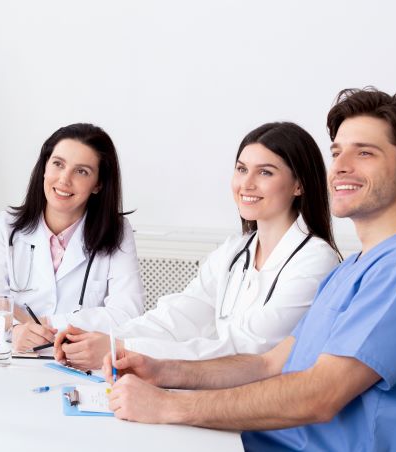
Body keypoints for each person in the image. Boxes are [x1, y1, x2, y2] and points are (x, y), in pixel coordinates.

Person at [103, 88, 396, 452]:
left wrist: (170, 406)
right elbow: (270, 363)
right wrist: (163, 370)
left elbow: (321, 395)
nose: (341, 166)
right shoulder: (351, 269)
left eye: (364, 152)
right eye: (337, 152)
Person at [54, 122, 341, 370]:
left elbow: (249, 349)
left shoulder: (315, 261)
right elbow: (177, 316)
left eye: (265, 172)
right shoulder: (234, 251)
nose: (246, 183)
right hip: (223, 394)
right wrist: (102, 339)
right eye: (241, 169)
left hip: (269, 413)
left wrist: (124, 347)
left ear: (299, 185)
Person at [0, 123, 144, 352]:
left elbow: (128, 314)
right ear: (45, 166)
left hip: (80, 363)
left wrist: (46, 324)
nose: (64, 179)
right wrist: (14, 329)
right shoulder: (7, 225)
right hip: (19, 357)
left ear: (98, 185)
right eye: (58, 164)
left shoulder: (117, 231)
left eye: (81, 171)